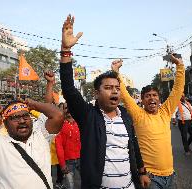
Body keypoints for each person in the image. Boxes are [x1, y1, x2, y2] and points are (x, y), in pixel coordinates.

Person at [59, 14, 150, 188]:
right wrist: (65, 50)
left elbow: (134, 145)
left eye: (116, 88)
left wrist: (142, 171)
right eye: (108, 88)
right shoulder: (88, 116)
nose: (114, 91)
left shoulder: (125, 115)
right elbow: (69, 90)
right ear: (96, 93)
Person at [111, 54, 185, 189]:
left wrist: (180, 66)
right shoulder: (138, 114)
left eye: (154, 95)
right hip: (150, 178)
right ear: (143, 100)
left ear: (159, 98)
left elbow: (177, 91)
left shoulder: (166, 112)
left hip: (170, 175)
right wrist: (116, 72)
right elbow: (125, 95)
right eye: (147, 96)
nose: (152, 98)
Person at [55, 102, 81, 189]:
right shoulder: (59, 125)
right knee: (70, 186)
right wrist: (62, 164)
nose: (69, 109)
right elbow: (59, 146)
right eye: (66, 108)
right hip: (68, 162)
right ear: (63, 110)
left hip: (81, 159)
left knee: (87, 183)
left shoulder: (80, 123)